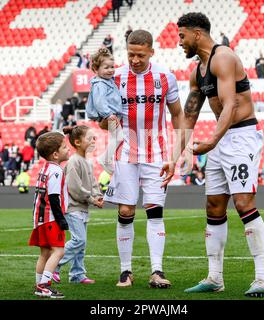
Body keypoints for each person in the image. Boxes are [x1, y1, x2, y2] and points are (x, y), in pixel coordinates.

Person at [177, 12, 264, 297]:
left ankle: (263, 279)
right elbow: (189, 115)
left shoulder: (224, 57)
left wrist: (211, 142)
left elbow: (230, 105)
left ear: (196, 34)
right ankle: (215, 278)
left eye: (182, 36)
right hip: (220, 139)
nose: (179, 42)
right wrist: (176, 155)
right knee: (214, 207)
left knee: (243, 203)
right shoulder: (197, 71)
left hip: (241, 135)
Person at [103, 29, 184, 288]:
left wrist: (176, 154)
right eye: (130, 54)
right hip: (125, 152)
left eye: (140, 54)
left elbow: (178, 115)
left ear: (151, 51)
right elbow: (105, 124)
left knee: (154, 211)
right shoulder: (115, 78)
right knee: (126, 211)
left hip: (157, 153)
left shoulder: (165, 77)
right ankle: (125, 271)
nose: (135, 59)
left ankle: (157, 271)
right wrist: (107, 120)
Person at [52, 125, 103, 285]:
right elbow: (74, 188)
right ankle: (54, 265)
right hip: (73, 208)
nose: (93, 141)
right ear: (78, 142)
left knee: (82, 244)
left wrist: (98, 195)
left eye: (94, 138)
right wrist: (92, 199)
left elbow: (93, 182)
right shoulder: (74, 161)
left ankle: (77, 274)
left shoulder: (86, 161)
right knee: (79, 240)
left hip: (82, 208)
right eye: (90, 138)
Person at [28, 131, 70, 298]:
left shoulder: (45, 168)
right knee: (59, 251)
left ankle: (39, 284)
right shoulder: (56, 170)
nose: (68, 149)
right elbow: (53, 197)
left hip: (39, 218)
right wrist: (61, 220)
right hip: (50, 218)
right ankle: (44, 285)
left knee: (45, 253)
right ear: (55, 154)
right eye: (65, 147)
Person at [86, 47, 124, 175]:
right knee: (119, 136)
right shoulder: (100, 84)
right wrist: (108, 114)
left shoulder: (107, 81)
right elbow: (99, 101)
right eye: (106, 68)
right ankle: (105, 159)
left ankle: (107, 158)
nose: (110, 70)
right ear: (96, 70)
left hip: (112, 115)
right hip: (108, 115)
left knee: (116, 137)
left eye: (112, 67)